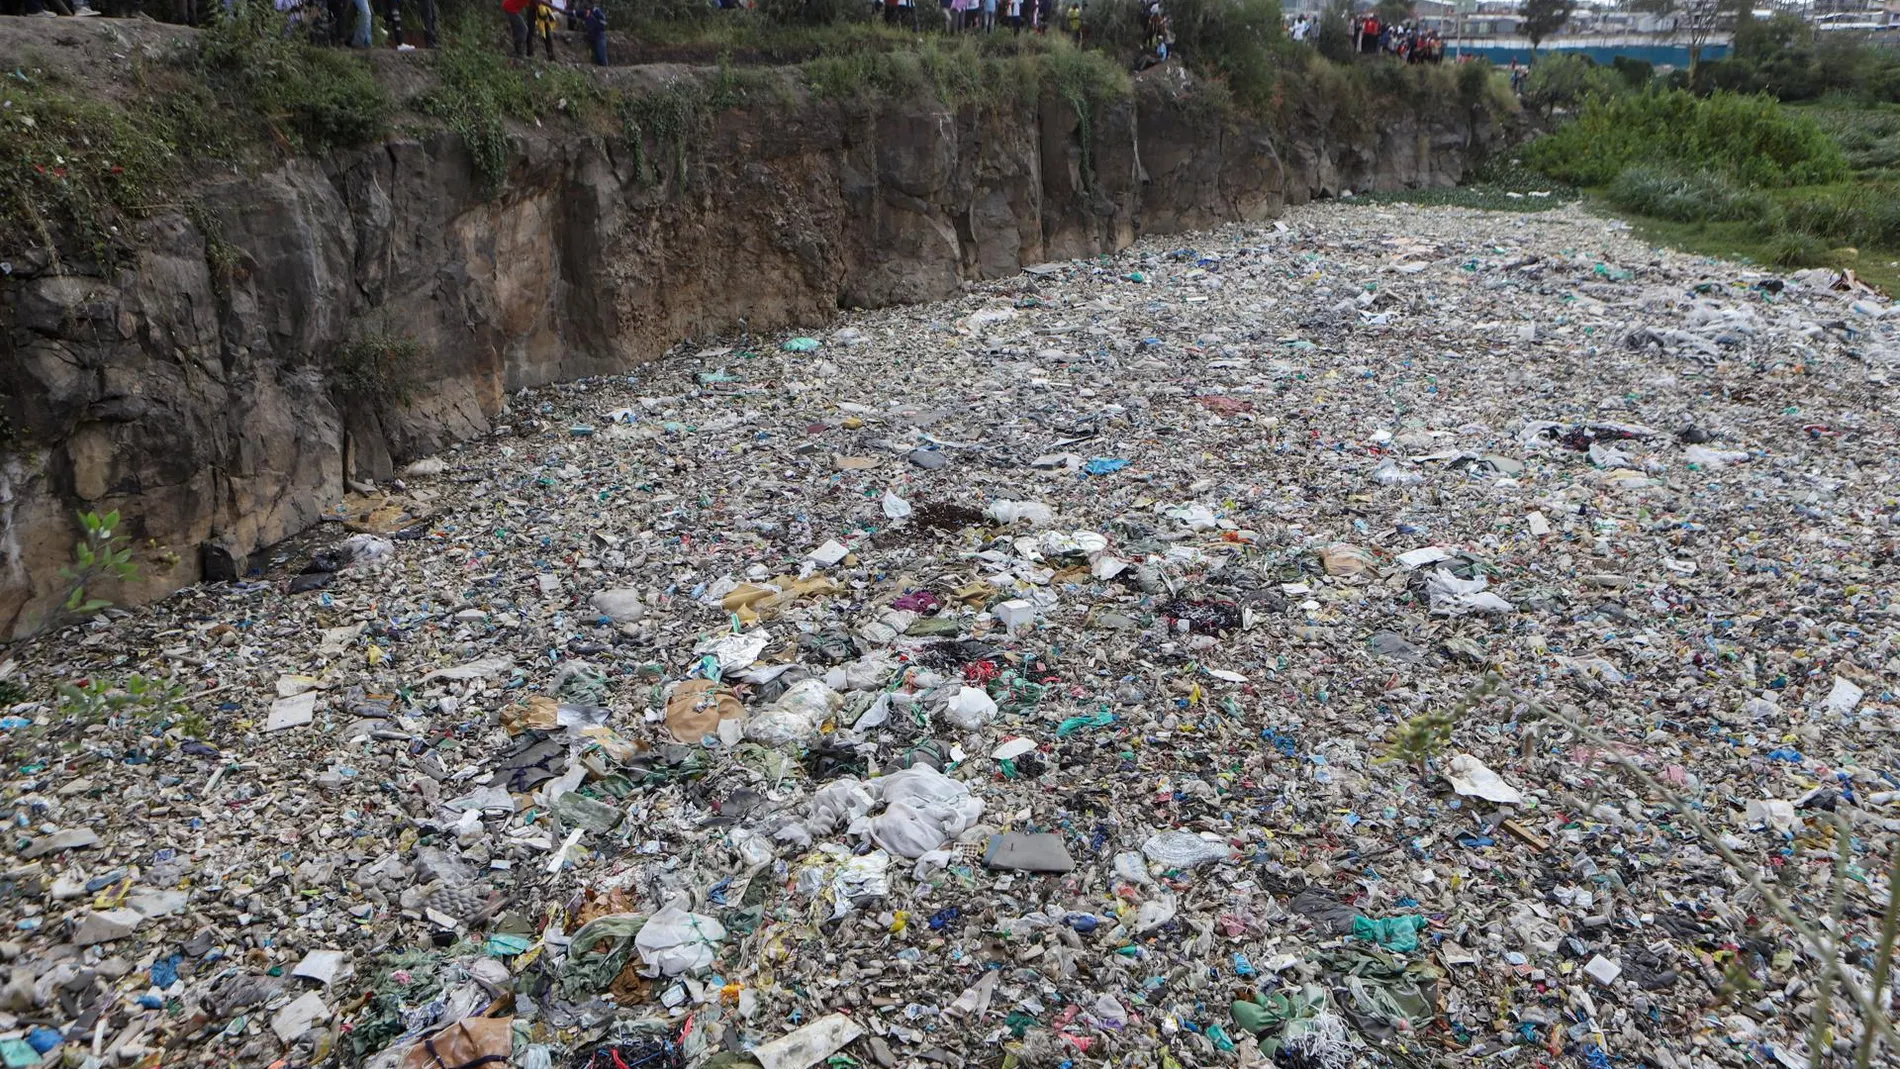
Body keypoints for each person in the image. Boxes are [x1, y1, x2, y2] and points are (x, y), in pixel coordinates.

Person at [583, 0, 606, 65]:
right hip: (593, 37)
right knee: (597, 57)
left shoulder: (596, 11)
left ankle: (605, 71)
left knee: (602, 57)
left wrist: (596, 27)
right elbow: (572, 13)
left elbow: (603, 21)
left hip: (599, 36)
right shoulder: (586, 13)